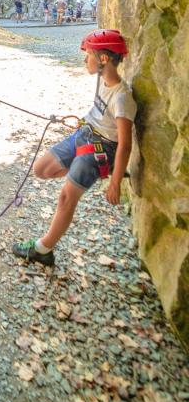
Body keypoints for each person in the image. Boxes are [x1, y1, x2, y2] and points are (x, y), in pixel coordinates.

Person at [12, 29, 136, 267]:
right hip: (85, 133)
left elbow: (125, 144)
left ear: (104, 59)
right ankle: (84, 175)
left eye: (89, 54)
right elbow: (99, 112)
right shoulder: (102, 79)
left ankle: (43, 249)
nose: (84, 59)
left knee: (66, 196)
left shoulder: (122, 98)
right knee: (41, 169)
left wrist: (115, 182)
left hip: (103, 148)